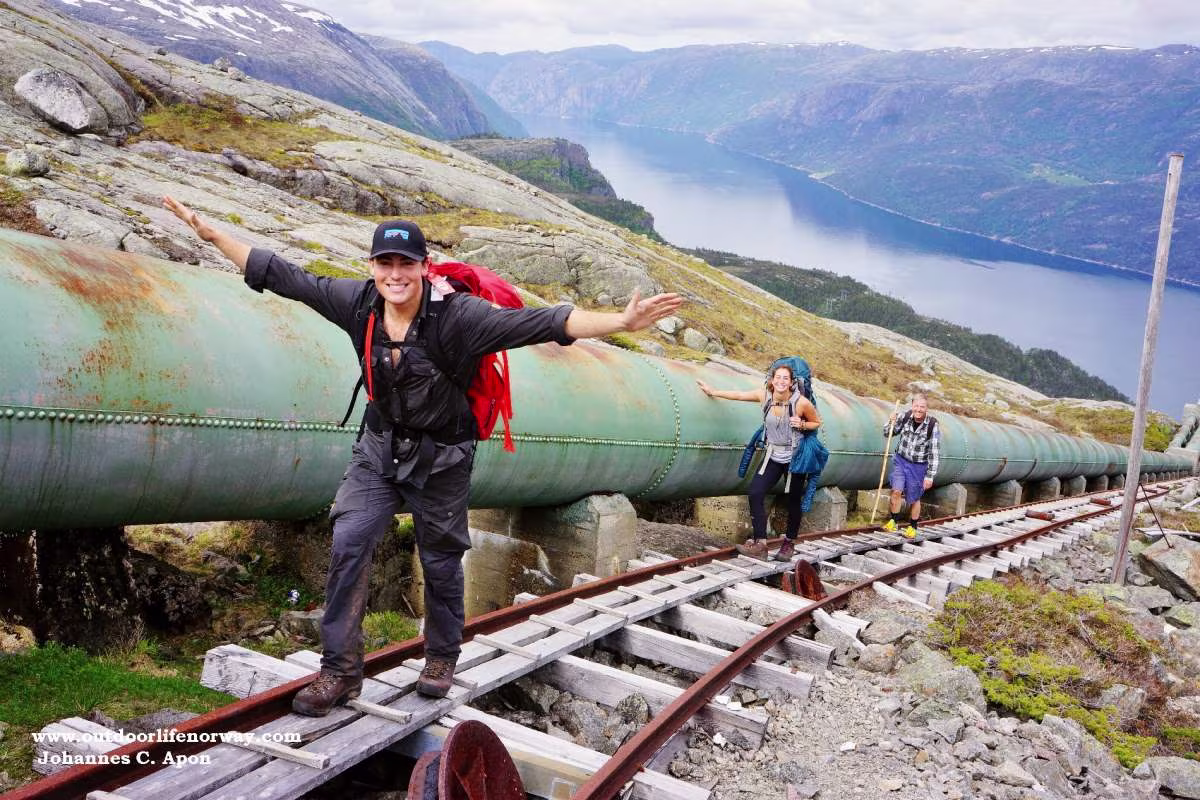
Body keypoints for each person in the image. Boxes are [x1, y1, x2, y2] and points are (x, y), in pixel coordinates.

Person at [163, 196, 683, 715]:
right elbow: (286, 276)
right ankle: (339, 672)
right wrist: (213, 235)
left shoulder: (461, 318)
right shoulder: (359, 303)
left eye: (405, 264)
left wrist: (621, 321)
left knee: (440, 558)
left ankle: (440, 657)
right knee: (349, 540)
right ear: (372, 266)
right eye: (385, 263)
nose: (395, 274)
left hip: (442, 460)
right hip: (378, 451)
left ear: (423, 266)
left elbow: (544, 323)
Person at [696, 364, 821, 561]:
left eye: (785, 378)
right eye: (777, 377)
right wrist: (713, 391)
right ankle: (760, 544)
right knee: (755, 492)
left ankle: (788, 544)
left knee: (793, 500)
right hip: (773, 455)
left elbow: (817, 422)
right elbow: (739, 395)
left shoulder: (801, 403)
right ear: (772, 380)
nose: (781, 381)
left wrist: (803, 424)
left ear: (791, 382)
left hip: (794, 458)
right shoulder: (764, 396)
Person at [881, 393, 940, 539]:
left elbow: (934, 452)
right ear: (912, 406)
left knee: (914, 497)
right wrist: (890, 422)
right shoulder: (905, 416)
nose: (918, 409)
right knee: (896, 491)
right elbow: (888, 433)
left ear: (926, 408)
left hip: (918, 466)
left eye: (922, 407)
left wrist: (930, 476)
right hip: (901, 460)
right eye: (916, 406)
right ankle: (893, 521)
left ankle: (912, 526)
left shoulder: (932, 425)